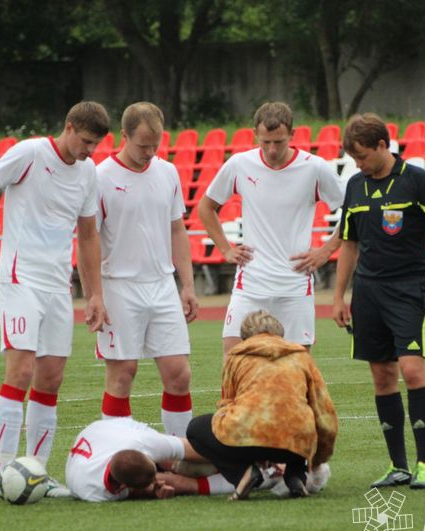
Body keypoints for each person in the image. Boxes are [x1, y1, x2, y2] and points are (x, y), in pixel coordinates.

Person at [0, 101, 111, 497]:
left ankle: (37, 472)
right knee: (21, 371)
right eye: (86, 141)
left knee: (50, 378)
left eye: (96, 145)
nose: (90, 151)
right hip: (19, 277)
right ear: (69, 126)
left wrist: (94, 293)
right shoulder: (30, 153)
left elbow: (89, 234)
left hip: (59, 286)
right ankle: (3, 472)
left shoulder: (89, 171)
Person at [332, 113, 425, 490]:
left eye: (363, 156)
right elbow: (349, 243)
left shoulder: (416, 181)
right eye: (354, 158)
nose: (359, 164)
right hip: (368, 293)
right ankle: (398, 466)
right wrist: (339, 295)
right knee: (382, 377)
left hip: (408, 288)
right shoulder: (355, 185)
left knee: (412, 371)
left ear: (383, 145)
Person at [197, 101, 344, 357]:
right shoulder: (239, 164)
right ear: (256, 134)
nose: (272, 149)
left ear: (292, 135)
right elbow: (206, 207)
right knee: (233, 359)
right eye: (265, 142)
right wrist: (225, 249)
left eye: (279, 142)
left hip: (295, 283)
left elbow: (354, 210)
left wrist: (326, 250)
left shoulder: (314, 168)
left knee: (297, 367)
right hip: (251, 282)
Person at [94, 102, 197, 434]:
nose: (150, 152)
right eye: (142, 145)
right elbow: (87, 239)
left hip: (162, 284)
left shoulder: (167, 172)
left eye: (156, 145)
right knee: (123, 373)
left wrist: (188, 286)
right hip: (118, 287)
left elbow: (176, 229)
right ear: (123, 136)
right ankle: (117, 453)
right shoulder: (100, 177)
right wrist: (95, 294)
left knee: (179, 373)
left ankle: (180, 456)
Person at [186, 310, 338, 500]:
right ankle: (295, 474)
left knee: (196, 428)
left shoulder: (236, 356)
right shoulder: (301, 356)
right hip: (294, 443)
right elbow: (324, 413)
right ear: (279, 334)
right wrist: (317, 459)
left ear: (245, 337)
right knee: (299, 420)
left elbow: (227, 405)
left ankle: (244, 473)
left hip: (248, 439)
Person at [64, 418, 217, 502]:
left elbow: (191, 449)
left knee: (172, 460)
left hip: (113, 428)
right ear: (123, 485)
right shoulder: (96, 493)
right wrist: (153, 491)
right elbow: (136, 490)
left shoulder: (142, 442)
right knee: (179, 484)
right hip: (98, 440)